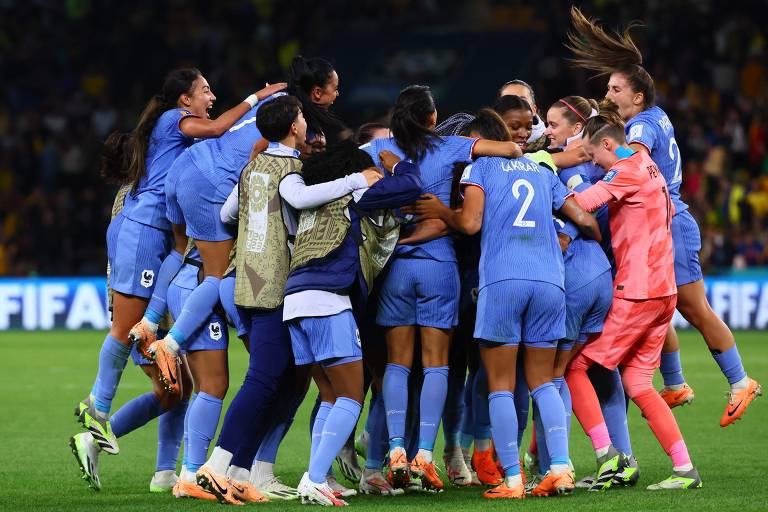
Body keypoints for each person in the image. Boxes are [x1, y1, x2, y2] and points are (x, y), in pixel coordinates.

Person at [567, 5, 761, 426]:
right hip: (658, 223)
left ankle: (739, 379)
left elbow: (632, 164)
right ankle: (673, 384)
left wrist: (592, 154)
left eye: (616, 89)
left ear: (637, 96)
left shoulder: (640, 130)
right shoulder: (653, 116)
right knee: (661, 305)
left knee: (693, 307)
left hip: (669, 222)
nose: (609, 93)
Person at [73, 68, 276, 462]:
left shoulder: (171, 143)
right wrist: (257, 98)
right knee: (126, 329)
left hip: (153, 237)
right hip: (143, 231)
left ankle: (163, 468)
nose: (212, 96)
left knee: (176, 386)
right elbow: (218, 128)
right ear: (184, 99)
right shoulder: (173, 120)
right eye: (204, 90)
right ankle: (97, 405)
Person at [194, 96, 380, 504]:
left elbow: (227, 214)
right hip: (277, 284)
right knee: (265, 379)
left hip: (245, 281)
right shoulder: (292, 170)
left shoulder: (251, 169)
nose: (305, 125)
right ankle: (216, 465)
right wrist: (353, 182)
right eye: (301, 118)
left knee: (281, 378)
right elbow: (297, 200)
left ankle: (245, 471)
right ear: (294, 127)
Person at [410, 141, 600, 499]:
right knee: (544, 381)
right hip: (549, 281)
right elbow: (583, 217)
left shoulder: (479, 168)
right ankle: (559, 467)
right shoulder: (543, 171)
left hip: (503, 281)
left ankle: (512, 479)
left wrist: (443, 211)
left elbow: (469, 223)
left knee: (500, 383)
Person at [361, 85, 523, 492]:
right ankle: (425, 457)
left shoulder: (379, 147)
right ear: (433, 118)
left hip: (395, 264)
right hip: (440, 264)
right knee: (436, 365)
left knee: (397, 364)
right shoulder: (452, 146)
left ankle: (395, 448)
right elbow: (512, 152)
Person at [567, 106, 702, 490]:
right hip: (665, 291)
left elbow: (584, 202)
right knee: (639, 382)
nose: (595, 163)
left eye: (595, 156)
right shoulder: (649, 165)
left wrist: (549, 176)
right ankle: (684, 469)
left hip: (638, 292)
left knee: (576, 367)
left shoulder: (624, 171)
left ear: (608, 144)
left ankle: (610, 460)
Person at [283, 141, 422, 505]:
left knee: (329, 395)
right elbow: (410, 186)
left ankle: (314, 478)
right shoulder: (355, 192)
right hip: (327, 298)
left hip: (295, 299)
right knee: (350, 396)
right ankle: (315, 478)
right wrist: (396, 166)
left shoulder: (316, 199)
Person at [539, 95, 637, 489]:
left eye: (552, 123)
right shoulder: (601, 163)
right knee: (601, 369)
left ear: (576, 128)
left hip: (574, 275)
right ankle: (623, 458)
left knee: (552, 375)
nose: (546, 130)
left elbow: (586, 209)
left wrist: (566, 230)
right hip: (604, 272)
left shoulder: (568, 165)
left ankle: (563, 464)